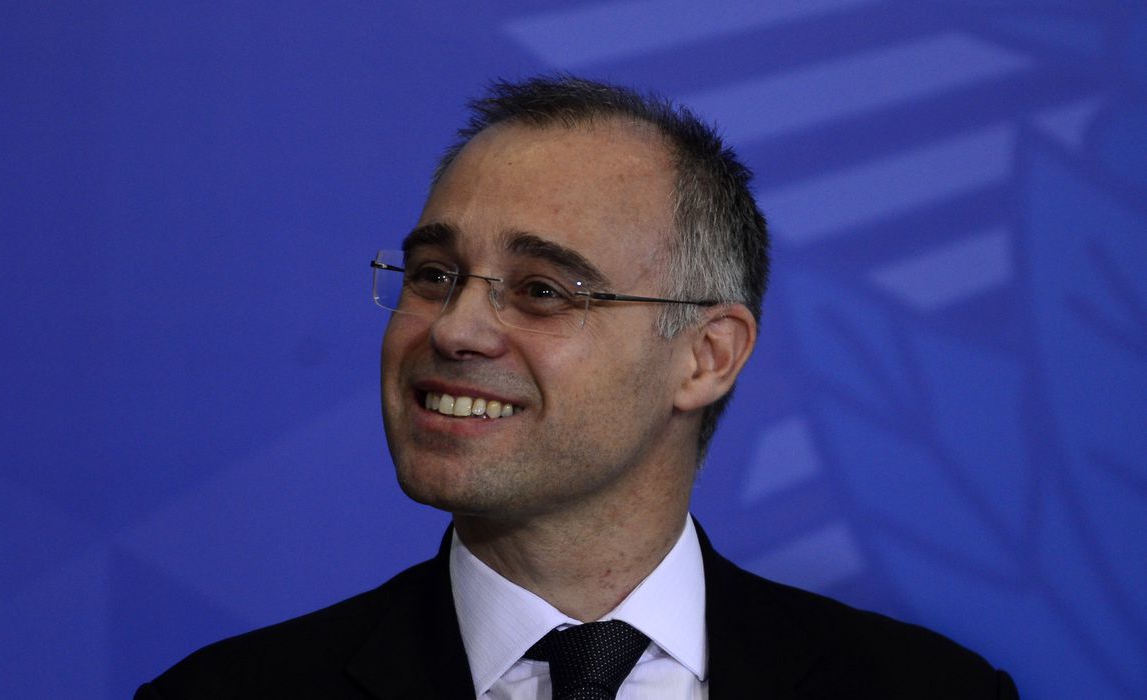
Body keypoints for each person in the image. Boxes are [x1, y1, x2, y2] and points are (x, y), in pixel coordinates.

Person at [136, 75, 1018, 699]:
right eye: (435, 275)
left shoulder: (933, 691)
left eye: (541, 291)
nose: (453, 330)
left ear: (707, 357)